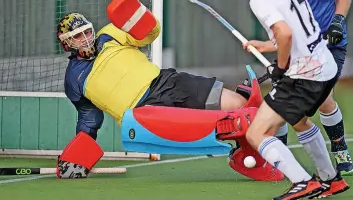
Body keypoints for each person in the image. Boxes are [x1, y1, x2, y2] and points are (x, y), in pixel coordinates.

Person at [237, 0, 349, 199]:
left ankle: (302, 181)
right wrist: (265, 45)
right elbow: (296, 31)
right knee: (297, 120)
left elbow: (285, 34)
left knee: (257, 133)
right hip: (326, 67)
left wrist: (281, 67)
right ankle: (331, 179)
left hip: (304, 76)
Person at [56, 12, 247, 140]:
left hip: (167, 82)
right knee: (208, 127)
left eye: (88, 31)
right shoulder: (73, 79)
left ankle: (263, 136)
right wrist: (80, 153)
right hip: (143, 112)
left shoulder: (109, 34)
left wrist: (141, 16)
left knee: (238, 104)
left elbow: (147, 35)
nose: (87, 38)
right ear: (67, 44)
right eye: (78, 36)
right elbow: (88, 119)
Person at [262, 0, 353, 175]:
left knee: (323, 99)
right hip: (297, 49)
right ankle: (279, 156)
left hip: (331, 44)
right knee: (281, 97)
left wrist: (338, 21)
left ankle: (339, 147)